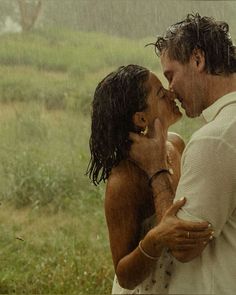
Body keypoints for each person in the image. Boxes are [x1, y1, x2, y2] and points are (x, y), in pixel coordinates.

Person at [129, 13, 236, 294]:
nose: (170, 90)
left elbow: (181, 246)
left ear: (197, 60)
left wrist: (156, 169)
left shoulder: (216, 139)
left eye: (170, 75)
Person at [87, 64, 213, 294]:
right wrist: (155, 238)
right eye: (160, 94)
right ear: (141, 119)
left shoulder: (176, 144)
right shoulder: (124, 181)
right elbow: (124, 276)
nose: (171, 94)